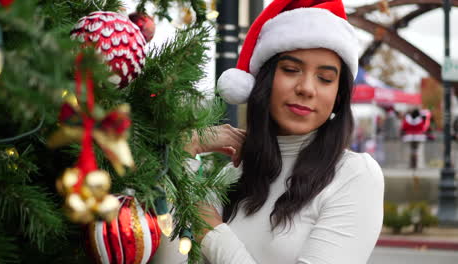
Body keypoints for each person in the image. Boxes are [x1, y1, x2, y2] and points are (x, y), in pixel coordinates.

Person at [152, 0, 384, 263]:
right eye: (291, 70)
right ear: (264, 82)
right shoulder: (233, 175)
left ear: (338, 95)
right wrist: (184, 151)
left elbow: (207, 229)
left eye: (325, 78)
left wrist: (212, 232)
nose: (307, 88)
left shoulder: (353, 175)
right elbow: (169, 258)